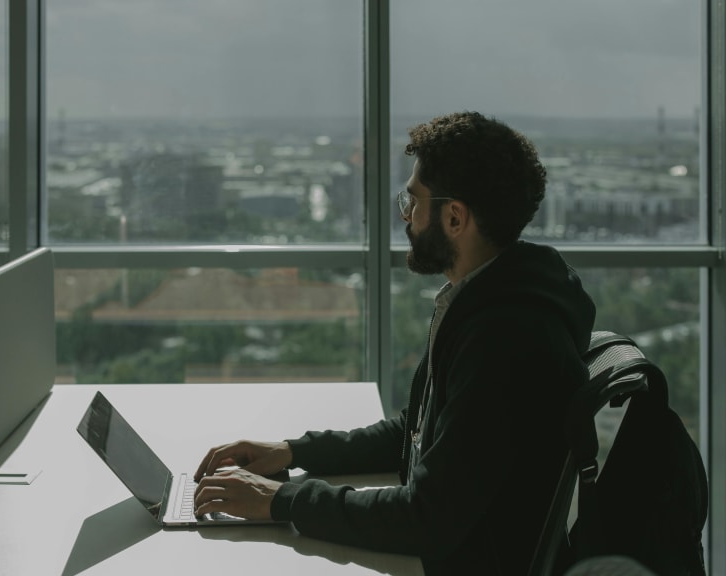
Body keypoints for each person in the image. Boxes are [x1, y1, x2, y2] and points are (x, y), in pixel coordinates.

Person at [193, 111, 596, 575]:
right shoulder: (495, 298)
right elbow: (418, 430)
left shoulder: (505, 339)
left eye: (413, 199)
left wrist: (282, 500)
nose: (404, 212)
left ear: (454, 217)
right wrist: (292, 452)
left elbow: (425, 519)